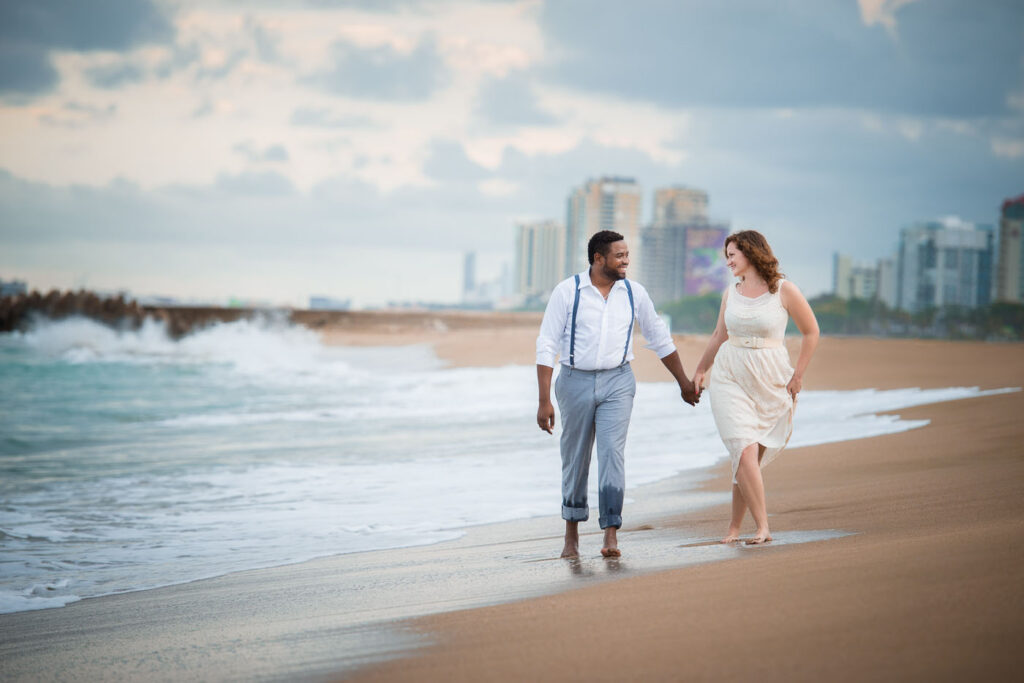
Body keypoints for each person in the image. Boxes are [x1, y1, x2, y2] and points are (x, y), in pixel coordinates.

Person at [536, 230, 701, 559]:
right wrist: (544, 400)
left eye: (627, 255)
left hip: (619, 381)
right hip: (573, 381)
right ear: (599, 258)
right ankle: (571, 535)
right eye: (619, 256)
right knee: (576, 458)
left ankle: (611, 533)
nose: (626, 261)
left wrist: (683, 381)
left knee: (612, 454)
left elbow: (659, 337)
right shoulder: (568, 292)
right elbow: (546, 344)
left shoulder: (634, 293)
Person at [692, 230, 819, 545]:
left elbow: (811, 331)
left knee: (747, 459)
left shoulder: (783, 290)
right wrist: (700, 369)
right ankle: (763, 527)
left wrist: (798, 375)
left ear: (750, 252)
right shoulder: (730, 293)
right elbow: (719, 335)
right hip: (730, 374)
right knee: (743, 447)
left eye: (733, 254)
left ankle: (734, 529)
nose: (729, 262)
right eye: (727, 257)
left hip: (770, 377)